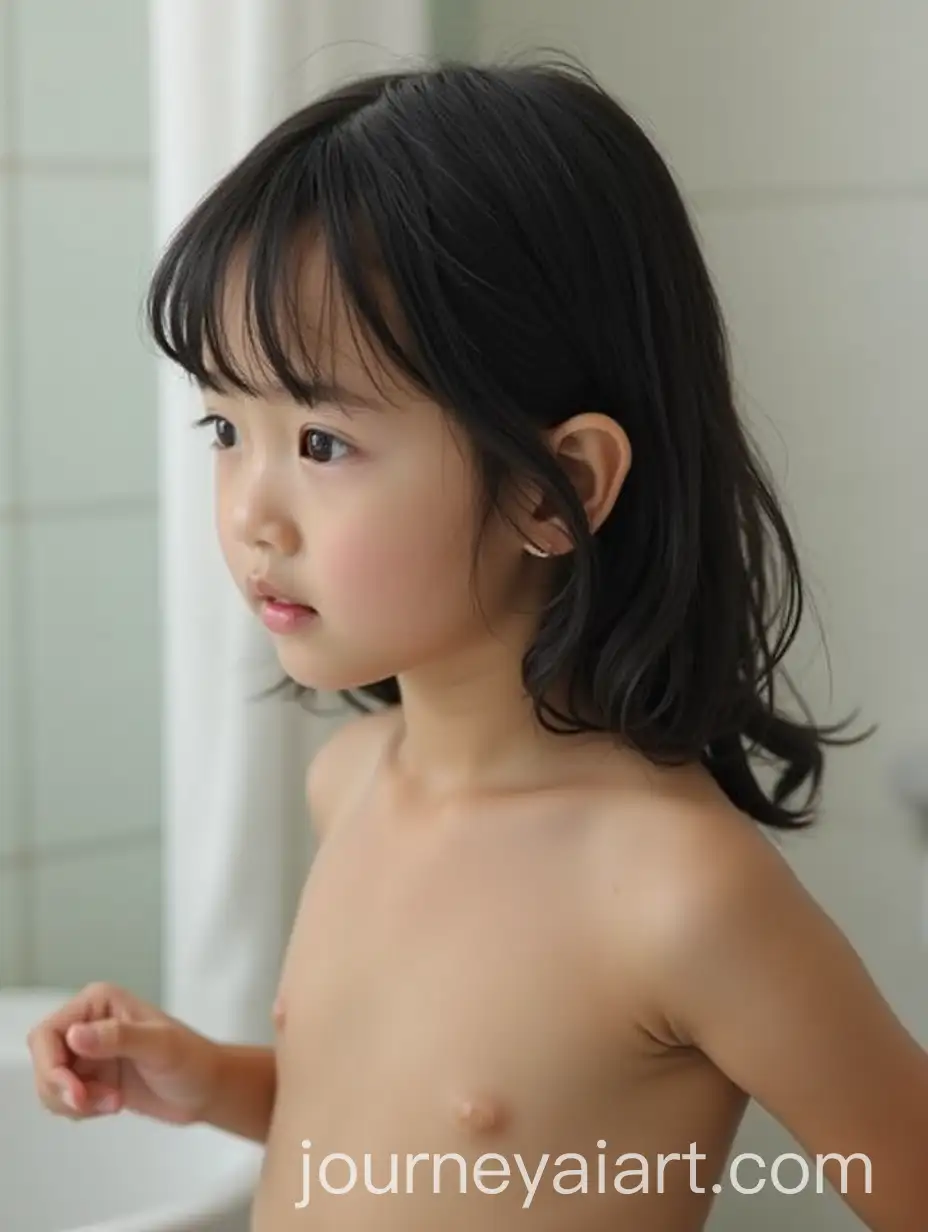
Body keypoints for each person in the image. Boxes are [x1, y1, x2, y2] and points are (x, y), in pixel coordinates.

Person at [26, 59, 928, 1231]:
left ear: (556, 491)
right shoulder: (350, 781)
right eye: (222, 426)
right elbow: (412, 1136)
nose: (249, 509)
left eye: (320, 442)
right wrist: (213, 1079)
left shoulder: (677, 893)